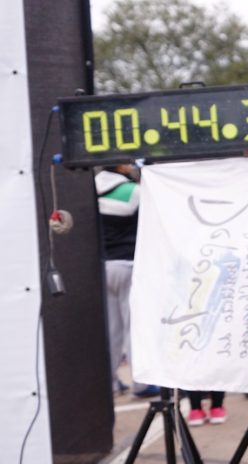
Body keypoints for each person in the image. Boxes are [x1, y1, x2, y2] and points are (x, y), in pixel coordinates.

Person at [95, 164, 159, 398]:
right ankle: (141, 383)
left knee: (111, 330)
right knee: (134, 327)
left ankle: (109, 383)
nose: (133, 166)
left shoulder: (90, 190)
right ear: (120, 166)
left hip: (102, 267)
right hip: (129, 265)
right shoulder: (133, 191)